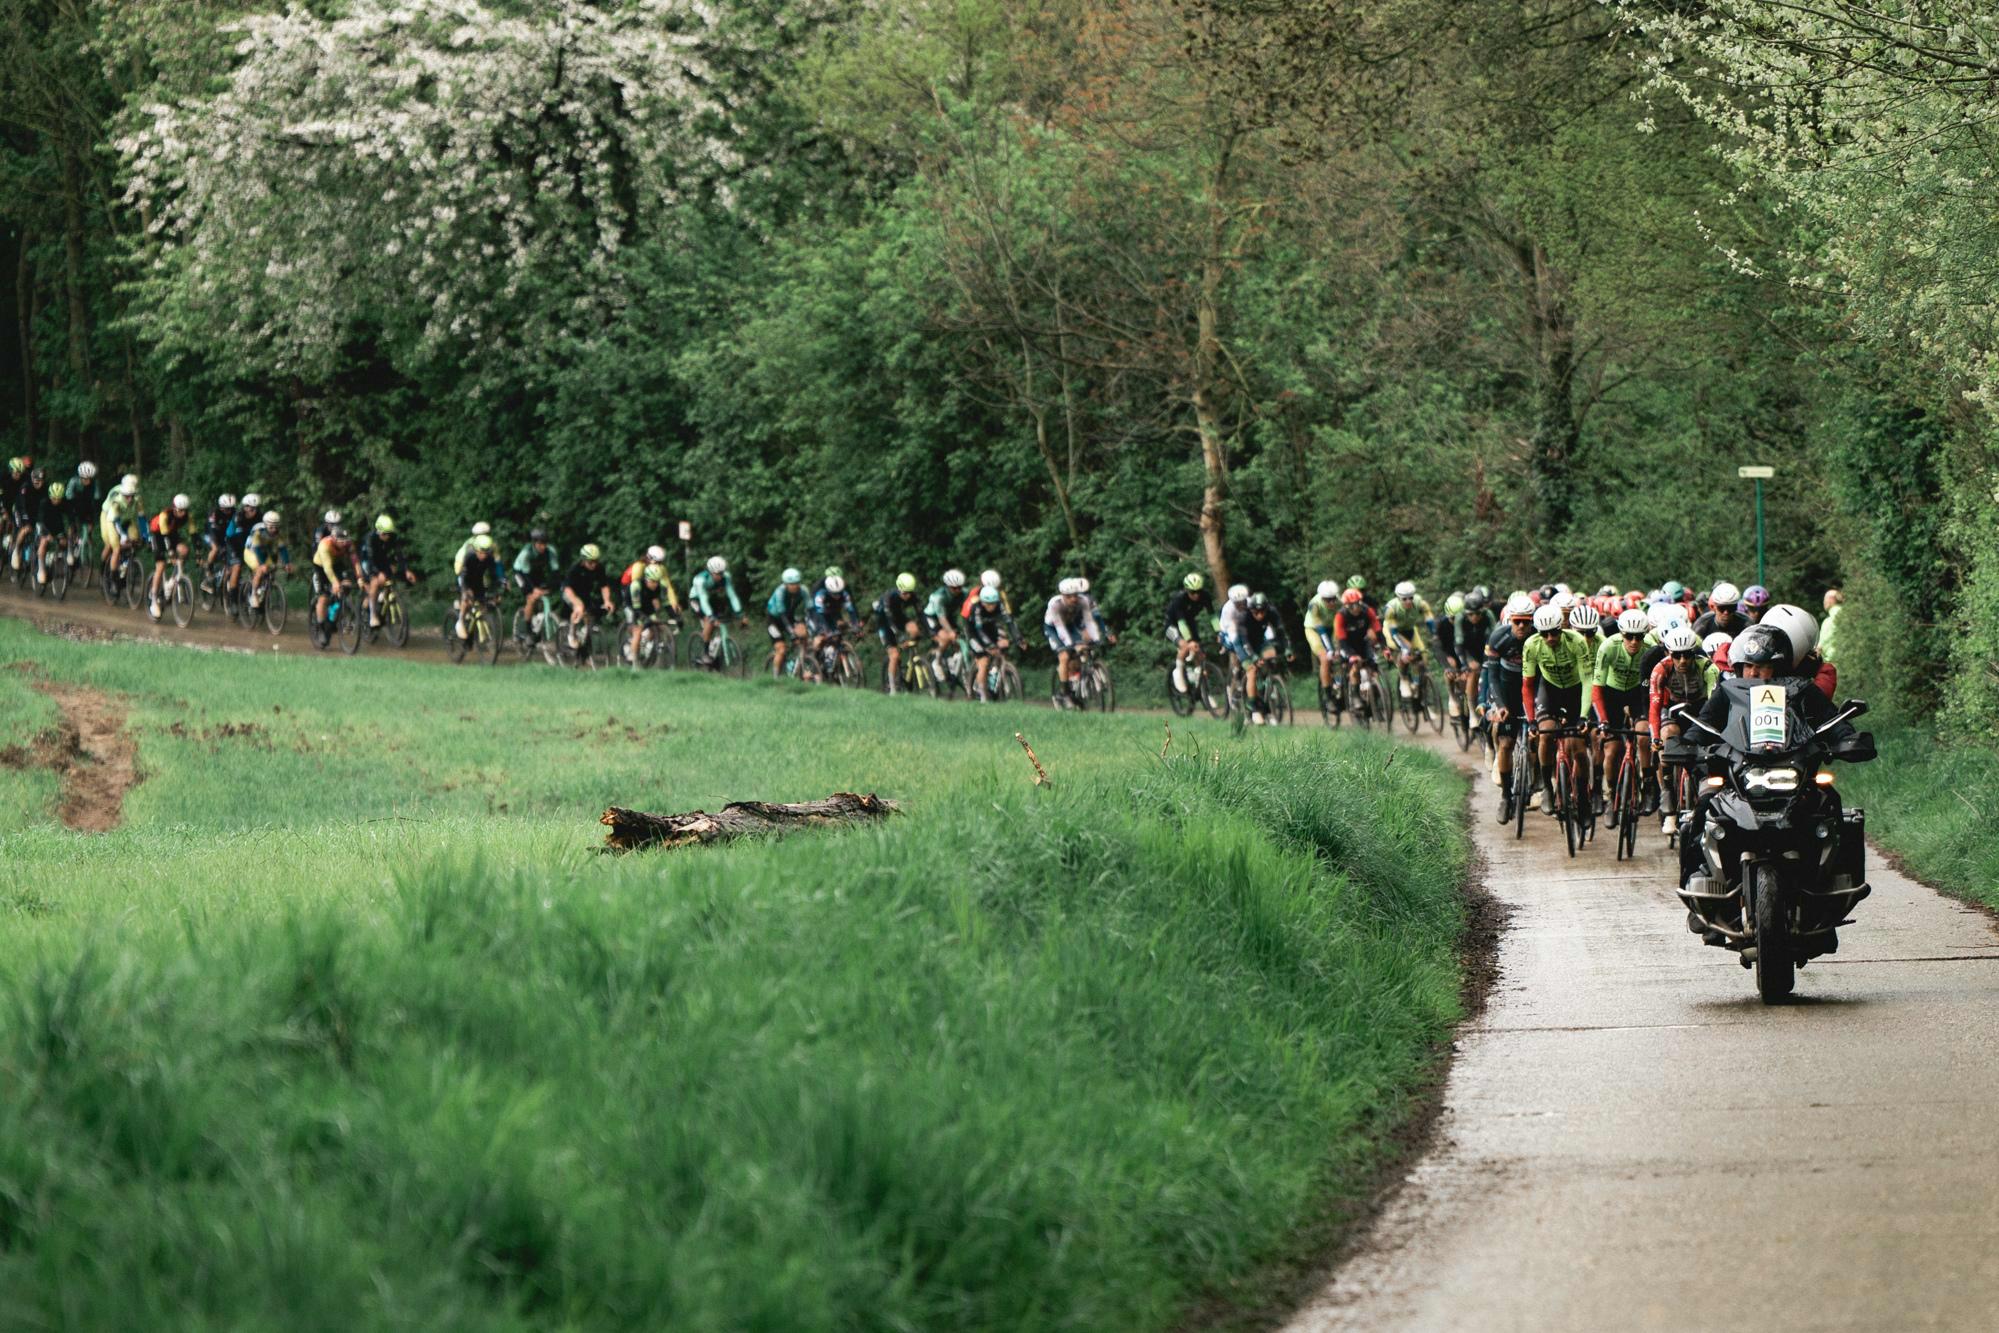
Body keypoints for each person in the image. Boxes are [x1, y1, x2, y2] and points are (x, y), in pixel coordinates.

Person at [1676, 623, 1854, 888]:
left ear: (1779, 668)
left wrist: (1847, 738)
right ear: (1738, 667)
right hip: (1738, 773)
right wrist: (1685, 744)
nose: (1753, 672)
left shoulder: (1802, 689)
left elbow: (1832, 720)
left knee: (1830, 801)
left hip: (1794, 771)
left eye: (1762, 666)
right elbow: (1703, 724)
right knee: (1704, 808)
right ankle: (1696, 881)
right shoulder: (1726, 692)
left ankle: (1838, 879)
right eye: (1747, 666)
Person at [1521, 602, 1594, 814]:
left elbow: (1588, 679)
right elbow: (1527, 685)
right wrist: (1531, 719)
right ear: (1538, 633)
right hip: (1549, 689)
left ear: (1561, 629)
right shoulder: (1531, 645)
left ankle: (1582, 798)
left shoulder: (1577, 641)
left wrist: (1583, 715)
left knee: (1578, 747)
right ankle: (1547, 788)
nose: (1550, 638)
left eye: (1554, 633)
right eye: (1545, 634)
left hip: (1574, 690)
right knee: (1546, 735)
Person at [1648, 624, 1712, 833]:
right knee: (1667, 738)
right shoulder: (1660, 669)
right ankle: (1667, 797)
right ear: (1668, 653)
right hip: (1673, 711)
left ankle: (1700, 797)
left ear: (1694, 653)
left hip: (1700, 712)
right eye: (1677, 656)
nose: (1683, 661)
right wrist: (1655, 738)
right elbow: (1655, 707)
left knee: (1704, 754)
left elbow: (1713, 702)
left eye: (1687, 655)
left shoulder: (1707, 668)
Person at [1595, 608, 1657, 814]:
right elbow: (1597, 689)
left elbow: (1654, 688)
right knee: (1612, 750)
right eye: (1629, 637)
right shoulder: (1608, 648)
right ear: (1621, 634)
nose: (1634, 642)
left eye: (1639, 637)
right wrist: (1603, 719)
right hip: (1612, 694)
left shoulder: (1650, 649)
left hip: (1638, 694)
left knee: (1643, 736)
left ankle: (1648, 786)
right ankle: (1611, 793)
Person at [1481, 597, 1535, 820]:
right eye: (1517, 621)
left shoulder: (1540, 636)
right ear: (1509, 620)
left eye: (1526, 621)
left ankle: (1540, 778)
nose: (1521, 626)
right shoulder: (1498, 638)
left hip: (1532, 687)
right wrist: (1500, 705)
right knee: (1505, 742)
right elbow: (1491, 676)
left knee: (1540, 736)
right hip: (1507, 688)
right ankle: (1505, 796)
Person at [1044, 577, 1112, 708]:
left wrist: (1097, 639)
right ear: (1063, 595)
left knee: (1084, 651)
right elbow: (1060, 629)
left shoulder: (1083, 601)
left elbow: (1089, 622)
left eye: (1075, 595)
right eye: (1069, 596)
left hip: (1070, 626)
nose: (1073, 599)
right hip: (1053, 628)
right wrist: (1072, 645)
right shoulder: (1055, 604)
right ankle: (1065, 693)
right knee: (1064, 656)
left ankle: (1076, 678)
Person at [1381, 581, 1435, 705]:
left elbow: (1430, 620)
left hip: (1410, 630)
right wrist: (1404, 649)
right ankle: (1404, 678)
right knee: (1406, 652)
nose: (1408, 601)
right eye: (1404, 599)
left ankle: (1419, 685)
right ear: (1398, 598)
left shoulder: (1420, 603)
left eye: (1411, 598)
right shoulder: (1391, 609)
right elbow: (1394, 633)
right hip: (1393, 632)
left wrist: (1435, 634)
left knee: (1423, 654)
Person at [360, 515, 418, 629]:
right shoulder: (370, 539)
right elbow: (371, 559)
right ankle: (372, 615)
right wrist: (377, 573)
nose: (387, 536)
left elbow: (399, 555)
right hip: (367, 560)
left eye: (389, 533)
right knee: (375, 582)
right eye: (385, 534)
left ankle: (381, 598)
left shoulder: (392, 537)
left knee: (392, 570)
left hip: (381, 559)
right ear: (379, 531)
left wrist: (406, 571)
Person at [145, 493, 196, 618]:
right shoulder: (165, 515)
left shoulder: (188, 516)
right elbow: (164, 536)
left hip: (171, 533)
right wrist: (171, 552)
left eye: (184, 511)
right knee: (161, 565)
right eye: (179, 511)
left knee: (183, 551)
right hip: (157, 535)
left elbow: (193, 533)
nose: (182, 514)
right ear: (174, 508)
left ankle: (173, 581)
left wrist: (198, 550)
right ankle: (153, 599)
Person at [688, 556, 745, 666]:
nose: (719, 576)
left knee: (721, 619)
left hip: (712, 599)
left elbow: (732, 596)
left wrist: (740, 613)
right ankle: (705, 653)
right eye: (716, 574)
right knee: (709, 622)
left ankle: (714, 649)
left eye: (721, 573)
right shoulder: (700, 580)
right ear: (710, 572)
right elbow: (703, 600)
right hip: (697, 599)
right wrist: (710, 616)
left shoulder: (726, 577)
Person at [1165, 573, 1214, 698]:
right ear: (1187, 590)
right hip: (1173, 624)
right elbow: (1181, 623)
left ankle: (1203, 690)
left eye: (1198, 591)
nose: (1196, 595)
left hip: (1190, 623)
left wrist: (1220, 633)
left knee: (1200, 656)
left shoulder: (1205, 596)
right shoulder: (1179, 599)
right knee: (1185, 646)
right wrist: (1190, 640)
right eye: (1192, 592)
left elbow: (1213, 616)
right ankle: (1178, 671)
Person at [875, 572, 926, 690]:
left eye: (910, 592)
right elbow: (889, 619)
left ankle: (911, 659)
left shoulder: (912, 595)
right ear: (899, 589)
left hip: (898, 618)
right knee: (894, 655)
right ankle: (892, 688)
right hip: (885, 623)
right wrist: (898, 634)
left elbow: (921, 614)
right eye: (905, 593)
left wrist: (927, 631)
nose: (908, 596)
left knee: (914, 628)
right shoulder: (889, 597)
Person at [1450, 590, 1496, 721]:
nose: (1474, 617)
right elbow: (1459, 644)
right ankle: (1471, 711)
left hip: (1484, 648)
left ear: (1482, 611)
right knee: (1471, 673)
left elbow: (1494, 637)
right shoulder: (1460, 618)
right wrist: (1465, 663)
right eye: (1470, 614)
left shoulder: (1488, 615)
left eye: (1477, 614)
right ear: (1465, 613)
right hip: (1467, 650)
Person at [561, 543, 617, 648]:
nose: (593, 565)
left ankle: (584, 642)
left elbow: (604, 586)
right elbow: (567, 588)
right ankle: (571, 635)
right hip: (569, 591)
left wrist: (607, 601)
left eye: (595, 561)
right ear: (583, 560)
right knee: (579, 608)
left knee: (591, 614)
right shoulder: (575, 568)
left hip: (584, 592)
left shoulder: (599, 568)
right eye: (590, 562)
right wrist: (577, 603)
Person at [963, 584, 1013, 701]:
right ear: (982, 602)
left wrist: (1018, 638)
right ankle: (983, 695)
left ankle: (996, 674)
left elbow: (1009, 622)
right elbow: (979, 630)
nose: (991, 607)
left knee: (1001, 648)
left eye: (994, 604)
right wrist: (990, 645)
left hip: (990, 630)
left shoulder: (999, 606)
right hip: (974, 634)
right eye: (988, 604)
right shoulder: (977, 608)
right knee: (984, 661)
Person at [511, 529, 562, 641]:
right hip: (521, 573)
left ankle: (538, 621)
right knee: (531, 597)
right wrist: (534, 589)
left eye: (545, 543)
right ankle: (528, 630)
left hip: (536, 572)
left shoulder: (551, 551)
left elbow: (555, 572)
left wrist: (552, 586)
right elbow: (526, 575)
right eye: (540, 544)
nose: (542, 546)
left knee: (544, 592)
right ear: (534, 543)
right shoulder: (526, 553)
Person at [310, 524, 361, 634]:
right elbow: (327, 568)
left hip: (337, 563)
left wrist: (360, 577)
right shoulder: (325, 544)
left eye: (345, 541)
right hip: (321, 566)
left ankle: (339, 609)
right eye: (340, 541)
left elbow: (355, 561)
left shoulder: (348, 544)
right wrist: (335, 583)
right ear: (334, 539)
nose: (343, 543)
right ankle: (321, 625)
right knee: (323, 598)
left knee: (346, 585)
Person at [455, 533, 502, 643]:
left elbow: (494, 575)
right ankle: (460, 621)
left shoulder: (489, 558)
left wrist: (497, 590)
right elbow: (463, 575)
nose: (483, 556)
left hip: (477, 579)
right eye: (481, 552)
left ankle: (476, 628)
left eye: (486, 553)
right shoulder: (469, 556)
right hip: (464, 577)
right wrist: (465, 590)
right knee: (466, 600)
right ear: (476, 550)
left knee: (482, 603)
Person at [766, 568, 813, 678]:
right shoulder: (780, 592)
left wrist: (810, 626)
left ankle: (801, 665)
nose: (795, 586)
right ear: (785, 584)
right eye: (791, 584)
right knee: (781, 649)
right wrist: (792, 633)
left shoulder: (803, 590)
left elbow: (810, 609)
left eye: (797, 583)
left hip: (789, 617)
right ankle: (775, 679)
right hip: (774, 620)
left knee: (804, 637)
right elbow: (782, 614)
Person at [809, 569, 863, 661]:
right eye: (834, 593)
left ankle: (833, 657)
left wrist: (856, 625)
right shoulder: (820, 593)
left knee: (839, 631)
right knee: (822, 636)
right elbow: (819, 613)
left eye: (839, 593)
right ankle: (812, 663)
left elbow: (851, 609)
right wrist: (826, 630)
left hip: (832, 611)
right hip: (817, 613)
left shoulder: (845, 592)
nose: (837, 595)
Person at [625, 562, 674, 664]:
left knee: (657, 624)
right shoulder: (636, 585)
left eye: (657, 582)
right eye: (652, 581)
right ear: (646, 579)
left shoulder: (662, 585)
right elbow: (637, 609)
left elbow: (666, 604)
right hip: (632, 605)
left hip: (647, 604)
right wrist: (644, 619)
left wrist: (675, 616)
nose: (655, 584)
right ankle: (634, 661)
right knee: (638, 630)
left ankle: (644, 644)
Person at [1303, 580, 1344, 701]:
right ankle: (1328, 695)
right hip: (1314, 629)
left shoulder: (1340, 601)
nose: (1331, 602)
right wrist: (1330, 649)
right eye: (1328, 600)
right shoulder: (1314, 605)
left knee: (1340, 654)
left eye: (1333, 599)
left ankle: (1340, 682)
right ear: (1322, 597)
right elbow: (1320, 630)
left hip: (1332, 627)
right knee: (1325, 658)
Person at [100, 474, 142, 586]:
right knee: (112, 546)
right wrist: (122, 535)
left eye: (135, 486)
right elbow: (114, 519)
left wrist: (145, 535)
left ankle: (126, 563)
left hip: (125, 517)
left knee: (134, 540)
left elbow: (141, 516)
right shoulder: (116, 495)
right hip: (109, 516)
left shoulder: (135, 496)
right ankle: (106, 574)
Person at [242, 510, 289, 609]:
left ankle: (264, 590)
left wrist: (287, 563)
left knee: (271, 568)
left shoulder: (278, 533)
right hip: (251, 551)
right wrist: (262, 564)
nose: (274, 529)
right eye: (271, 527)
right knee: (260, 569)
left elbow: (282, 549)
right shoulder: (258, 532)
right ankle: (254, 594)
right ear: (265, 525)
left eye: (276, 526)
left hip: (264, 552)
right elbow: (257, 549)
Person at [923, 568, 967, 670]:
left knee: (960, 639)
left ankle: (954, 663)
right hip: (933, 617)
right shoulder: (939, 597)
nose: (957, 590)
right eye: (954, 588)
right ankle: (936, 662)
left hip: (948, 615)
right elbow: (941, 619)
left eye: (959, 587)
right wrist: (950, 632)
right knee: (947, 637)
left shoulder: (964, 593)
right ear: (948, 586)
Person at [32, 480, 72, 586]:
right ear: (50, 496)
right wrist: (46, 534)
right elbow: (40, 520)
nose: (56, 501)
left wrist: (71, 528)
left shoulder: (65, 503)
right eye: (54, 498)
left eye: (59, 499)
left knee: (64, 542)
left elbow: (70, 517)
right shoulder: (44, 503)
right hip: (43, 526)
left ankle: (60, 562)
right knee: (44, 542)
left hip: (57, 527)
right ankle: (41, 569)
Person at [223, 493, 263, 599]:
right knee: (237, 566)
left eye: (255, 508)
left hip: (249, 542)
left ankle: (254, 594)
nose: (253, 511)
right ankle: (233, 600)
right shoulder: (239, 517)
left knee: (258, 566)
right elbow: (238, 538)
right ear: (245, 508)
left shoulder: (260, 516)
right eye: (251, 508)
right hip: (233, 542)